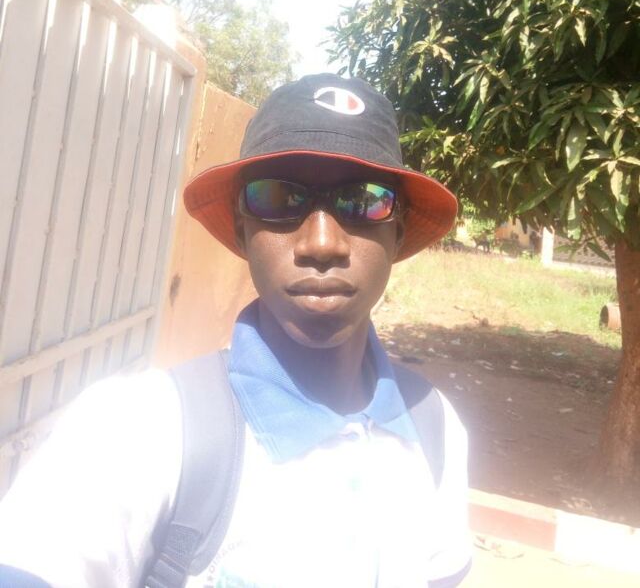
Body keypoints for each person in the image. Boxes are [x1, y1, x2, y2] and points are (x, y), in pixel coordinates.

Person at [0, 73, 471, 588]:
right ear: (243, 230)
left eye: (363, 200)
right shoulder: (138, 431)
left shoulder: (435, 425)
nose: (322, 243)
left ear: (397, 232)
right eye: (278, 198)